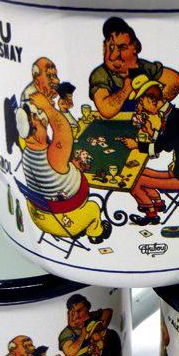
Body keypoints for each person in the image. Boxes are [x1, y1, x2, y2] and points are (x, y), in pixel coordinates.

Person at [19, 90, 112, 244]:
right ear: (34, 134)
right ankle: (96, 233)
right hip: (65, 221)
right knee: (94, 208)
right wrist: (47, 107)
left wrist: (71, 168)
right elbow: (63, 130)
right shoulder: (52, 156)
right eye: (38, 121)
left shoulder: (28, 152)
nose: (42, 120)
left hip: (39, 218)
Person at [120, 75, 179, 225]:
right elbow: (167, 140)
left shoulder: (174, 118)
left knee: (134, 181)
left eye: (142, 102)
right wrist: (151, 131)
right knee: (140, 171)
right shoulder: (172, 114)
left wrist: (136, 145)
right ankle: (158, 203)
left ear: (152, 100)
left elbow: (162, 146)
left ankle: (151, 214)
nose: (142, 107)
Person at [89, 17, 179, 118]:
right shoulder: (100, 74)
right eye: (111, 47)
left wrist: (154, 104)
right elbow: (106, 110)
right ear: (104, 48)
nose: (113, 56)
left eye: (122, 48)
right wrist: (127, 88)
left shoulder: (144, 67)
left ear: (135, 48)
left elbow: (176, 80)